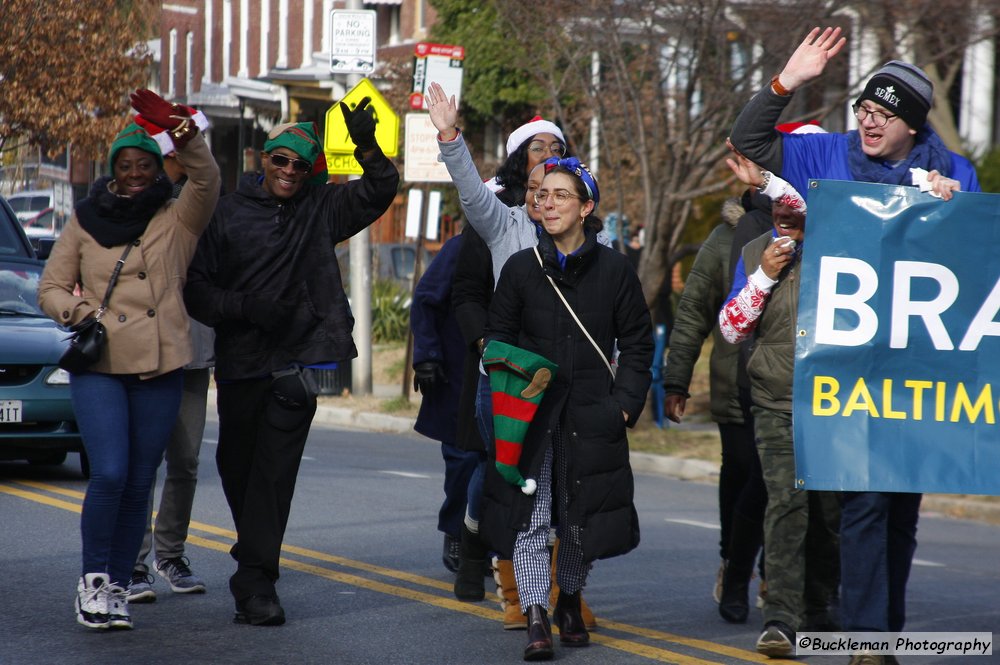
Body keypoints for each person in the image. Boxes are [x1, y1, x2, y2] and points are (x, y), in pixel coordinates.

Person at [729, 27, 980, 663]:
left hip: (921, 370)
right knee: (865, 500)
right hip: (845, 366)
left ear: (914, 125)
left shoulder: (952, 170)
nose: (869, 123)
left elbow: (977, 263)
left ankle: (883, 635)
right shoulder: (826, 156)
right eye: (865, 109)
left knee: (900, 511)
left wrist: (954, 211)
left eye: (885, 114)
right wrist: (788, 80)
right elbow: (749, 145)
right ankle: (867, 640)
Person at [183, 101, 399, 627]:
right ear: (264, 159)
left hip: (293, 366)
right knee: (237, 469)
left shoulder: (321, 209)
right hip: (239, 363)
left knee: (273, 477)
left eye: (300, 166)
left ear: (310, 172)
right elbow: (197, 291)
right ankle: (256, 554)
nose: (289, 172)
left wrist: (367, 145)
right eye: (281, 161)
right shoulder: (228, 214)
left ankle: (255, 585)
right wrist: (246, 307)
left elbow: (379, 191)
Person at [38, 89, 221, 630]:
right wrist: (80, 312)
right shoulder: (85, 219)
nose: (137, 173)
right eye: (126, 165)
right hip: (101, 362)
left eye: (145, 163)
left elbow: (207, 179)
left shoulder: (179, 216)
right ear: (112, 170)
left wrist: (184, 132)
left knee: (143, 478)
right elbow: (50, 287)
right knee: (112, 473)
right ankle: (93, 581)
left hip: (160, 365)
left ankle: (118, 585)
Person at [426, 81, 601, 628]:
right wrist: (451, 137)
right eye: (533, 184)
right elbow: (473, 196)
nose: (543, 194)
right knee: (512, 483)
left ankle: (564, 592)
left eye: (555, 186)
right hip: (504, 381)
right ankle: (512, 589)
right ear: (521, 188)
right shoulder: (503, 227)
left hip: (565, 384)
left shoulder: (590, 244)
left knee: (563, 492)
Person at [482, 158, 652, 661]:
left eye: (561, 195)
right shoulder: (520, 269)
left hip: (591, 416)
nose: (547, 203)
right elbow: (497, 340)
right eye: (543, 195)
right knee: (533, 516)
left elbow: (639, 344)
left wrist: (623, 406)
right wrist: (510, 389)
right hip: (532, 420)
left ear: (586, 207)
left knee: (578, 518)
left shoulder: (616, 270)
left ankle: (571, 598)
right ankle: (537, 611)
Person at [718, 157, 840, 658]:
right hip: (775, 400)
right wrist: (764, 278)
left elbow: (800, 201)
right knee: (786, 504)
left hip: (836, 404)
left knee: (827, 512)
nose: (784, 215)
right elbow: (729, 327)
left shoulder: (840, 247)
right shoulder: (753, 251)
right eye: (776, 208)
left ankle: (820, 606)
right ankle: (781, 619)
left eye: (791, 204)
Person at [662, 196, 765, 624]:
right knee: (744, 470)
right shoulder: (726, 237)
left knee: (772, 479)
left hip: (804, 388)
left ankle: (772, 571)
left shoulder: (820, 230)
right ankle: (734, 565)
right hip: (737, 380)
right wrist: (676, 380)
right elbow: (692, 312)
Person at [126, 149, 216, 603]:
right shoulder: (133, 209)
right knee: (142, 463)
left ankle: (170, 555)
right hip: (143, 353)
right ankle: (134, 564)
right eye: (167, 157)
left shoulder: (198, 210)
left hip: (192, 354)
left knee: (185, 462)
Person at [409, 232, 481, 576]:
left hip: (511, 371)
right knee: (463, 460)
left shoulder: (538, 241)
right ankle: (456, 531)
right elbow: (425, 298)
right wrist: (427, 356)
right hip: (459, 374)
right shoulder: (464, 245)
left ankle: (489, 542)